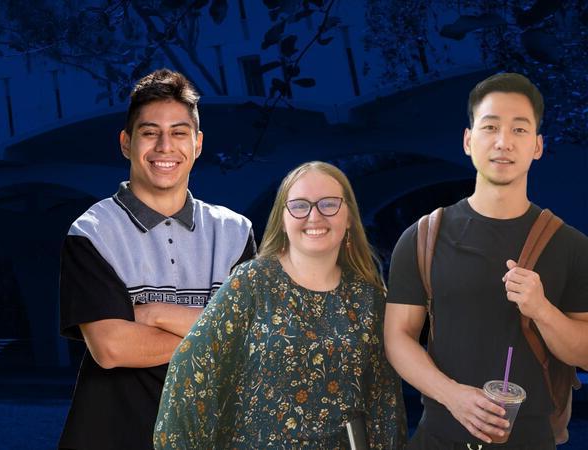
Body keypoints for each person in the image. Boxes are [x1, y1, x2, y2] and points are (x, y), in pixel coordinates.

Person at [385, 73, 588, 449]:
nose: (503, 142)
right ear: (468, 140)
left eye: (520, 130)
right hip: (438, 436)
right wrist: (453, 396)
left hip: (531, 439)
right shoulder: (423, 237)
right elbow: (397, 336)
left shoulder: (571, 246)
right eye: (490, 126)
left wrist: (542, 309)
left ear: (538, 146)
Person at [58, 68, 257, 449]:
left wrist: (154, 313)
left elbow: (250, 343)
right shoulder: (92, 232)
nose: (165, 146)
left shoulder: (235, 232)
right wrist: (219, 334)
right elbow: (112, 348)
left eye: (179, 133)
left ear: (197, 144)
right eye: (150, 133)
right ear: (126, 143)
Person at [153, 161, 404, 448]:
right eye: (300, 206)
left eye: (329, 204)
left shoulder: (369, 299)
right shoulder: (252, 282)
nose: (314, 216)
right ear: (283, 219)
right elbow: (191, 371)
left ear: (348, 217)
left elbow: (385, 403)